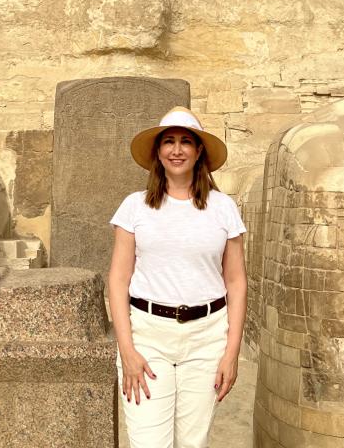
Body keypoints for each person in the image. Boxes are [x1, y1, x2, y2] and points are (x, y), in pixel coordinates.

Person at [108, 106, 247, 448]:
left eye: (186, 141)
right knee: (149, 442)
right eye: (168, 141)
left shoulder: (223, 207)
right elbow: (118, 280)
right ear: (158, 151)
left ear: (199, 151)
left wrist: (232, 352)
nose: (177, 149)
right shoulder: (135, 207)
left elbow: (236, 282)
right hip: (148, 336)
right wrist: (126, 349)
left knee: (192, 443)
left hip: (206, 337)